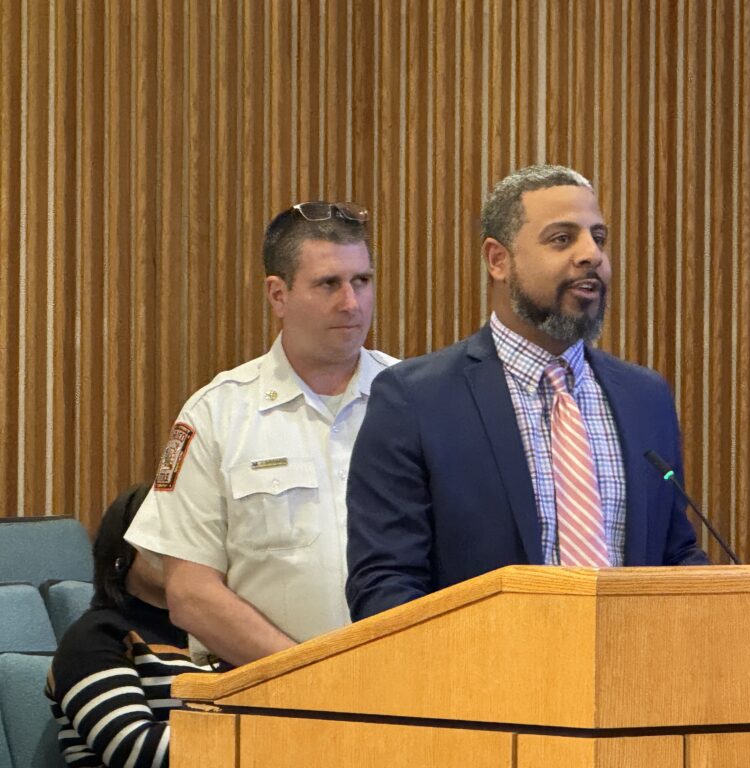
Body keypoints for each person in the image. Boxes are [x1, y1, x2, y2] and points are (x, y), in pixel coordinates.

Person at [345, 164, 709, 622]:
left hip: (628, 664)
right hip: (481, 666)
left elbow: (674, 555)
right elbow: (385, 586)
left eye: (599, 237)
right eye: (562, 239)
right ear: (498, 260)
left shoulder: (646, 398)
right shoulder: (415, 400)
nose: (591, 255)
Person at [126, 201, 397, 666]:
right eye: (328, 283)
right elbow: (190, 593)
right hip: (263, 691)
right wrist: (309, 678)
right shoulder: (217, 414)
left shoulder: (417, 400)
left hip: (408, 687)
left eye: (362, 281)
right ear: (278, 295)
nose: (351, 303)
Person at [46, 484, 211, 768]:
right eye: (163, 532)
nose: (179, 547)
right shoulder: (96, 636)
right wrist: (261, 740)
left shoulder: (219, 636)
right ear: (121, 549)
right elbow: (134, 750)